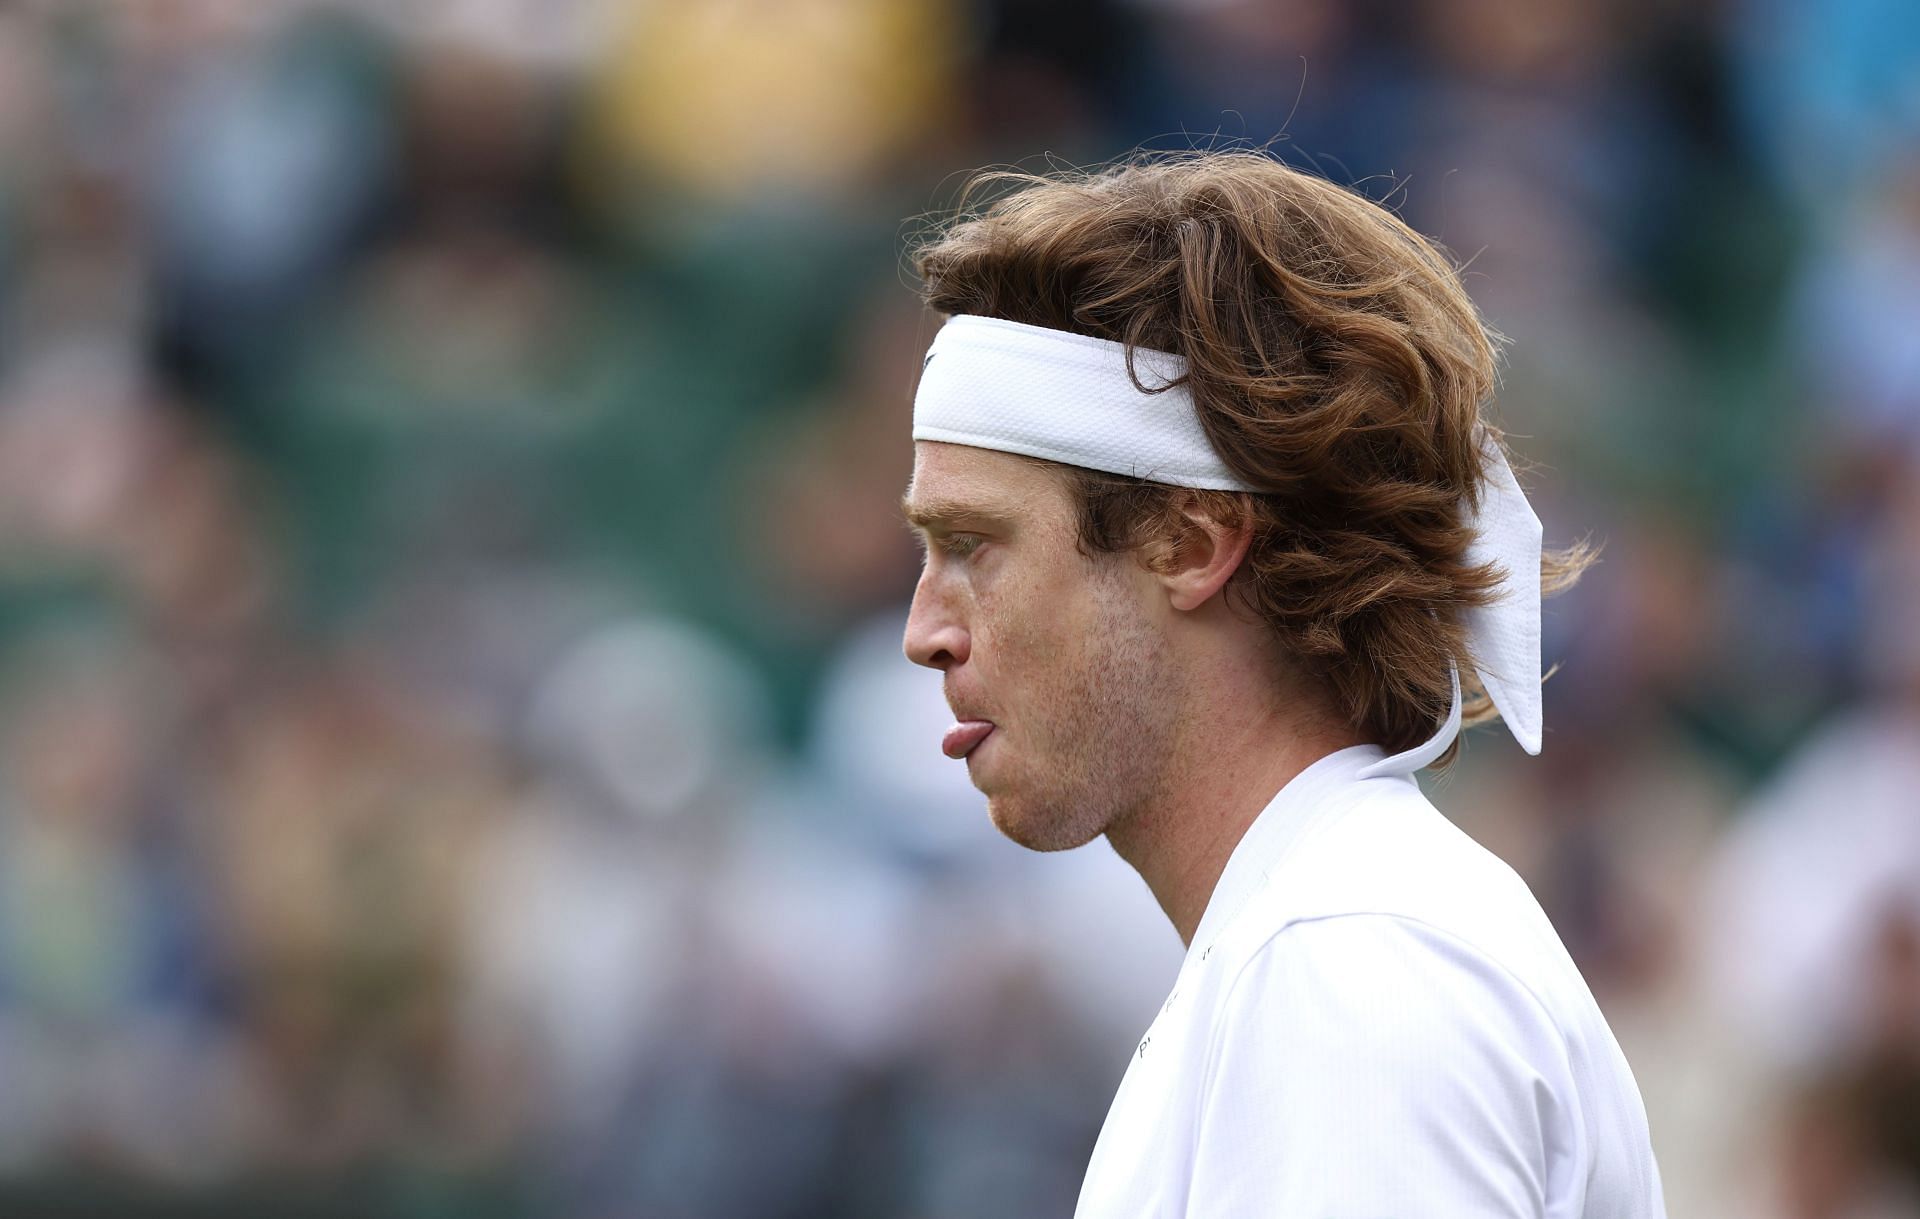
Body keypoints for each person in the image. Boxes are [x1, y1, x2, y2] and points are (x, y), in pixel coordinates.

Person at [898, 152, 1667, 1217]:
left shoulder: (1345, 959)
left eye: (974, 544)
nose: (924, 633)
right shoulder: (1319, 942)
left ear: (1192, 541)